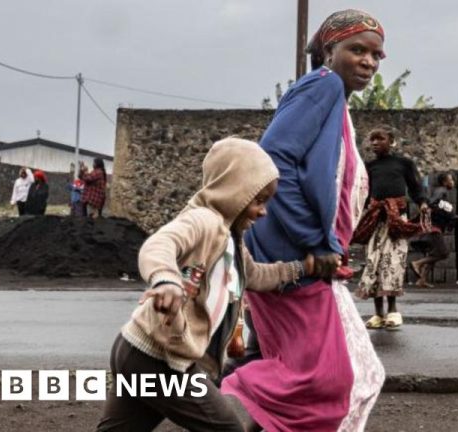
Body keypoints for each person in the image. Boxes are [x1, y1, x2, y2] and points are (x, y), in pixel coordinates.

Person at [221, 9, 385, 432]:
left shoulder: (334, 99)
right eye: (358, 50)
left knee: (331, 373)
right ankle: (218, 393)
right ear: (330, 51)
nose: (369, 61)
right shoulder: (324, 86)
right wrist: (315, 241)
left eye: (377, 55)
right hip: (296, 257)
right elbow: (274, 161)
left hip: (305, 255)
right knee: (331, 378)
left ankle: (237, 400)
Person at [97, 138, 315, 432]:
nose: (263, 212)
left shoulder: (232, 241)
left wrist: (302, 269)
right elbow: (161, 244)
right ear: (235, 191)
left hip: (136, 351)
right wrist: (166, 279)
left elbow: (257, 276)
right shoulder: (204, 221)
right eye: (258, 200)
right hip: (159, 358)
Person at [353, 126, 429, 330]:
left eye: (380, 139)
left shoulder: (404, 164)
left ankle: (393, 311)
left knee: (392, 264)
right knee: (374, 264)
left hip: (397, 222)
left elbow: (415, 187)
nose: (375, 143)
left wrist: (422, 202)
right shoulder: (369, 167)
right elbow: (365, 194)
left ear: (391, 141)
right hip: (376, 221)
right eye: (373, 139)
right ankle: (378, 314)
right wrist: (360, 213)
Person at [411, 172, 457, 288]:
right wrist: (450, 213)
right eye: (450, 180)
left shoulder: (442, 193)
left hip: (435, 226)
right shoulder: (441, 191)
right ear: (444, 182)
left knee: (434, 254)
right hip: (433, 227)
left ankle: (422, 280)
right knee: (443, 253)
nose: (453, 182)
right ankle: (417, 263)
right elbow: (432, 202)